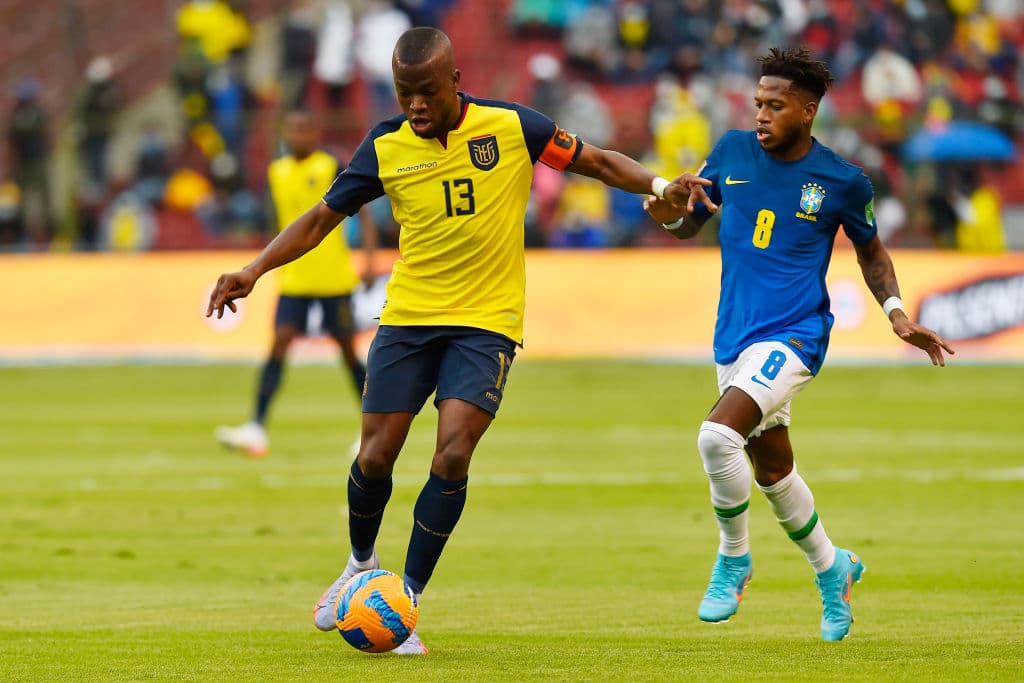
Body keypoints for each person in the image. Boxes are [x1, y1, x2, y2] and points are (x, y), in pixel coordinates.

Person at [207, 26, 691, 654]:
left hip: (486, 321)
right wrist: (252, 270)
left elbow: (596, 162)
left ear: (455, 81)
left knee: (453, 453)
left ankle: (402, 601)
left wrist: (658, 187)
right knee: (376, 453)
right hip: (410, 317)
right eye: (405, 92)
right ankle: (359, 565)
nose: (415, 104)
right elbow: (322, 218)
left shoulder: (513, 126)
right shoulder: (386, 146)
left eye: (427, 92)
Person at [645, 47, 954, 642]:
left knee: (716, 437)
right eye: (758, 103)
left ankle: (734, 558)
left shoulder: (842, 179)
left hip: (795, 336)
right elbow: (690, 223)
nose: (761, 114)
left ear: (807, 111)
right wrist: (665, 213)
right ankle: (832, 567)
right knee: (774, 471)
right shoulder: (730, 152)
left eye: (775, 105)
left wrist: (896, 313)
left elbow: (871, 249)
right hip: (732, 337)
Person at [215, 110, 376, 458]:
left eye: (304, 129)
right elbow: (278, 223)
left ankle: (373, 429)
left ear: (315, 132)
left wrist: (368, 257)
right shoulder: (277, 172)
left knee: (349, 354)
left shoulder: (330, 165)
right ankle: (255, 427)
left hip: (333, 277)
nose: (298, 135)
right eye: (292, 129)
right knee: (279, 346)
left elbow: (361, 210)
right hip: (294, 278)